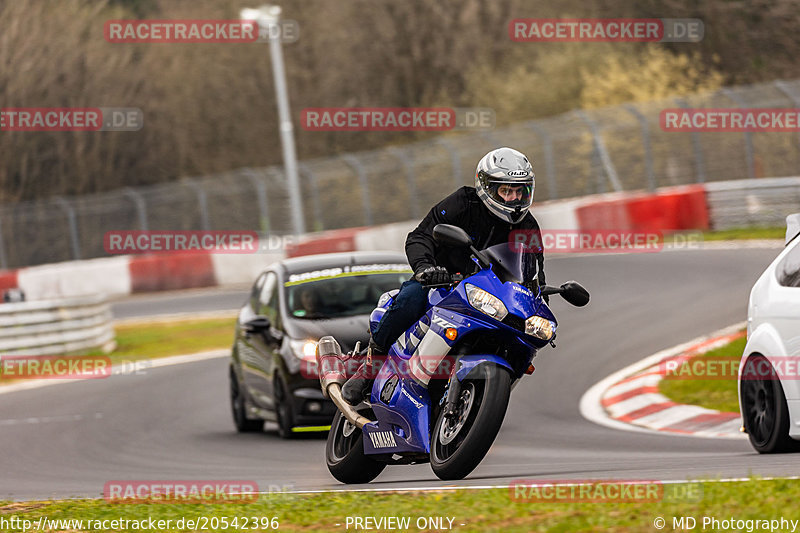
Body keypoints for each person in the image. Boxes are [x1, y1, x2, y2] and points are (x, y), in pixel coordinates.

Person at [341, 147, 546, 405]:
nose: (514, 199)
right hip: (442, 281)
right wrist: (425, 267)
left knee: (521, 339)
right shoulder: (463, 202)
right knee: (411, 298)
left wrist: (539, 302)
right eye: (506, 191)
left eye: (520, 191)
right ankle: (370, 367)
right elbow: (421, 235)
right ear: (486, 188)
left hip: (490, 296)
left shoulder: (528, 227)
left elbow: (534, 273)